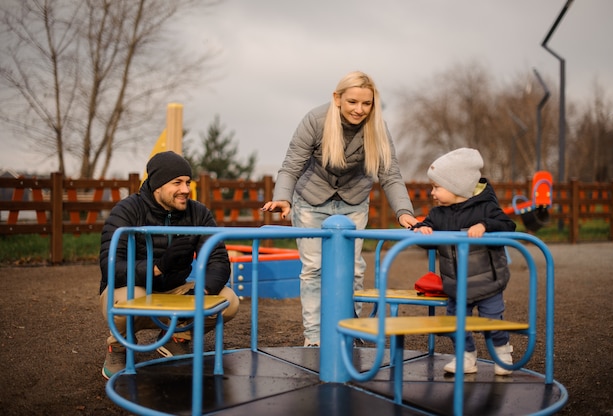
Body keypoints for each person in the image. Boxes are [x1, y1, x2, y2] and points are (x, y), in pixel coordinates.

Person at [261, 71, 418, 347]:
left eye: (366, 104)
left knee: (354, 268)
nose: (359, 109)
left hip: (353, 200)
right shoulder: (316, 120)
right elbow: (291, 165)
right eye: (353, 102)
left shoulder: (377, 128)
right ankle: (314, 336)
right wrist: (283, 198)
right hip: (312, 198)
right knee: (314, 268)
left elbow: (390, 175)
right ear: (337, 98)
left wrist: (404, 212)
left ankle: (350, 329)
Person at [98, 151, 240, 379]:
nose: (185, 189)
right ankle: (119, 346)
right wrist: (158, 266)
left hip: (175, 292)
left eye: (187, 182)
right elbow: (111, 267)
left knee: (228, 301)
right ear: (157, 185)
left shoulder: (198, 213)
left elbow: (218, 261)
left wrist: (201, 291)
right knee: (130, 295)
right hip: (131, 293)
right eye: (177, 183)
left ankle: (177, 339)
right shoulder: (127, 211)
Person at [411, 147, 516, 375]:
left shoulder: (486, 208)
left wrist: (485, 226)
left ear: (457, 186)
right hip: (456, 285)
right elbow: (426, 234)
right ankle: (465, 357)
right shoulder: (438, 215)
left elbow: (508, 225)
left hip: (487, 282)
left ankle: (502, 353)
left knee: (492, 322)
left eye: (437, 187)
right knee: (457, 325)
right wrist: (423, 230)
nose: (432, 193)